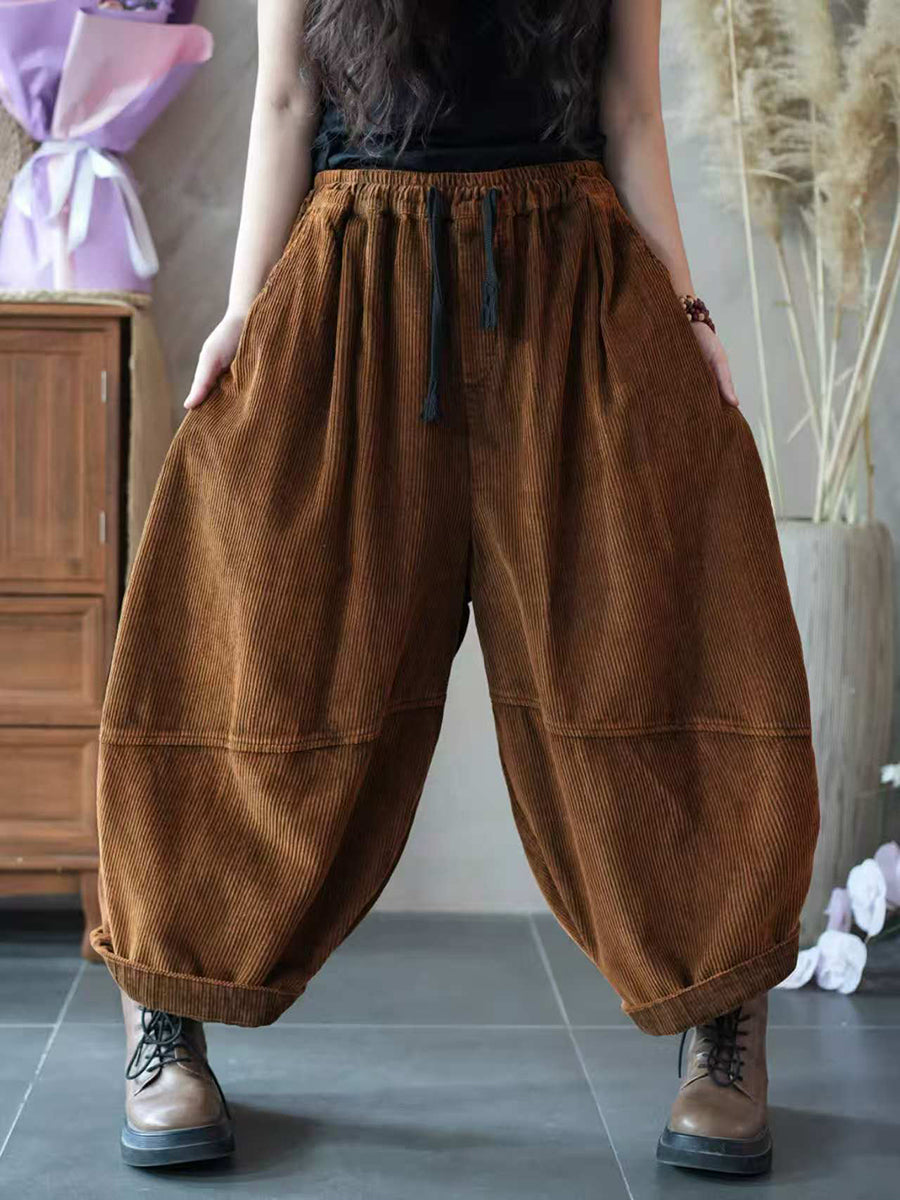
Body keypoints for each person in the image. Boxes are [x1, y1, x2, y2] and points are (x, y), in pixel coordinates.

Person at [90, 0, 819, 1177]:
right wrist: (242, 311)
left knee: (657, 644)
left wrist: (686, 309)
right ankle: (164, 1011)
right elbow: (286, 99)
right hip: (355, 279)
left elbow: (631, 110)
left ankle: (720, 1022)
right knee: (255, 647)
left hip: (571, 284)